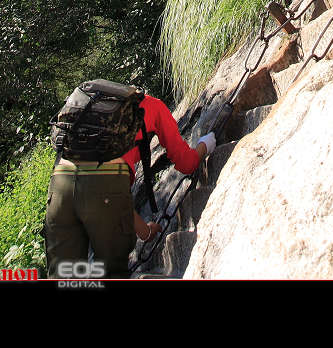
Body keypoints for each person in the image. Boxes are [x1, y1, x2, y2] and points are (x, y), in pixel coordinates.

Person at [44, 90, 216, 279]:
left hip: (59, 184)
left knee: (63, 276)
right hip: (105, 185)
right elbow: (186, 163)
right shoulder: (153, 106)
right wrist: (204, 145)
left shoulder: (90, 116)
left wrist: (145, 231)